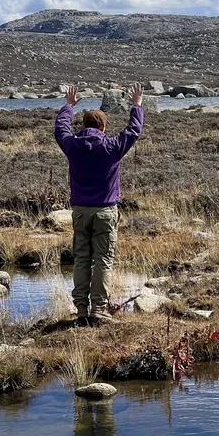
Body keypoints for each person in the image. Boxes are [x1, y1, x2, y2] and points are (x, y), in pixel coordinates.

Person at [55, 83, 144, 321]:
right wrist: (136, 106)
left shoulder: (72, 146)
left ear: (84, 126)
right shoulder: (111, 147)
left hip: (80, 211)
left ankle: (81, 309)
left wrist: (68, 106)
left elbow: (60, 129)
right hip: (105, 211)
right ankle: (99, 308)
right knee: (103, 260)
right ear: (103, 127)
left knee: (82, 260)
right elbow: (133, 131)